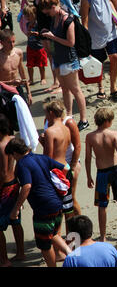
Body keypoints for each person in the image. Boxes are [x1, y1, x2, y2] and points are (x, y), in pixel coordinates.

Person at [5, 137, 72, 267]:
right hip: (57, 203)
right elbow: (66, 168)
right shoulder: (41, 157)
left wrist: (15, 209)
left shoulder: (22, 164)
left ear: (15, 153)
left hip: (43, 207)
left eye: (12, 156)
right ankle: (72, 255)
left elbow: (27, 186)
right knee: (52, 234)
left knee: (44, 245)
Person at [38, 0, 89, 131]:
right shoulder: (54, 19)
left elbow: (70, 42)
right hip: (58, 58)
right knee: (65, 89)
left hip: (69, 59)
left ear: (54, 6)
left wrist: (52, 37)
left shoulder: (67, 19)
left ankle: (84, 119)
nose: (47, 14)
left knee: (75, 89)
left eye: (48, 11)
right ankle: (69, 116)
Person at [85, 107, 117, 242]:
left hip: (102, 174)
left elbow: (88, 158)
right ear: (107, 121)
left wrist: (89, 176)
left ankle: (103, 236)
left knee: (102, 205)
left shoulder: (90, 137)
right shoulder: (113, 134)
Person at [81, 0, 117, 101]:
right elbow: (85, 19)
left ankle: (113, 87)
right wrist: (86, 37)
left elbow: (109, 2)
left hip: (109, 30)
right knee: (99, 62)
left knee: (115, 56)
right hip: (95, 34)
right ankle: (100, 87)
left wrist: (116, 17)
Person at [40, 99, 77, 233]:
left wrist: (43, 142)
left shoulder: (50, 131)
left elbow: (48, 157)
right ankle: (71, 240)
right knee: (68, 208)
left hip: (55, 173)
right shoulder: (66, 128)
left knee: (56, 210)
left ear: (50, 113)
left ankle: (57, 239)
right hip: (66, 169)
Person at [29, 0, 61, 94]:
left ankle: (60, 82)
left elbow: (57, 8)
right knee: (49, 54)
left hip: (51, 26)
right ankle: (55, 81)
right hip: (41, 26)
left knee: (55, 54)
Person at [0, 115, 25, 267]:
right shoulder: (12, 139)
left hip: (5, 187)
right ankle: (21, 252)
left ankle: (4, 259)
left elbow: (3, 172)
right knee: (16, 221)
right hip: (15, 184)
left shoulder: (2, 145)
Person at [0, 29, 33, 106]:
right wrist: (11, 82)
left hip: (17, 88)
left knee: (24, 113)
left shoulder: (18, 53)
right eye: (9, 42)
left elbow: (22, 72)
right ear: (2, 43)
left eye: (13, 42)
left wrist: (29, 92)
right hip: (4, 91)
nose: (12, 45)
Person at [22, 5, 48, 86]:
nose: (27, 17)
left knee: (41, 65)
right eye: (26, 16)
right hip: (30, 46)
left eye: (29, 15)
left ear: (34, 14)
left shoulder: (37, 23)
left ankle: (43, 78)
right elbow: (28, 34)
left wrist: (35, 33)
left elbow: (41, 33)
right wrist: (29, 33)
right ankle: (31, 79)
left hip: (39, 46)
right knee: (29, 65)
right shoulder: (27, 24)